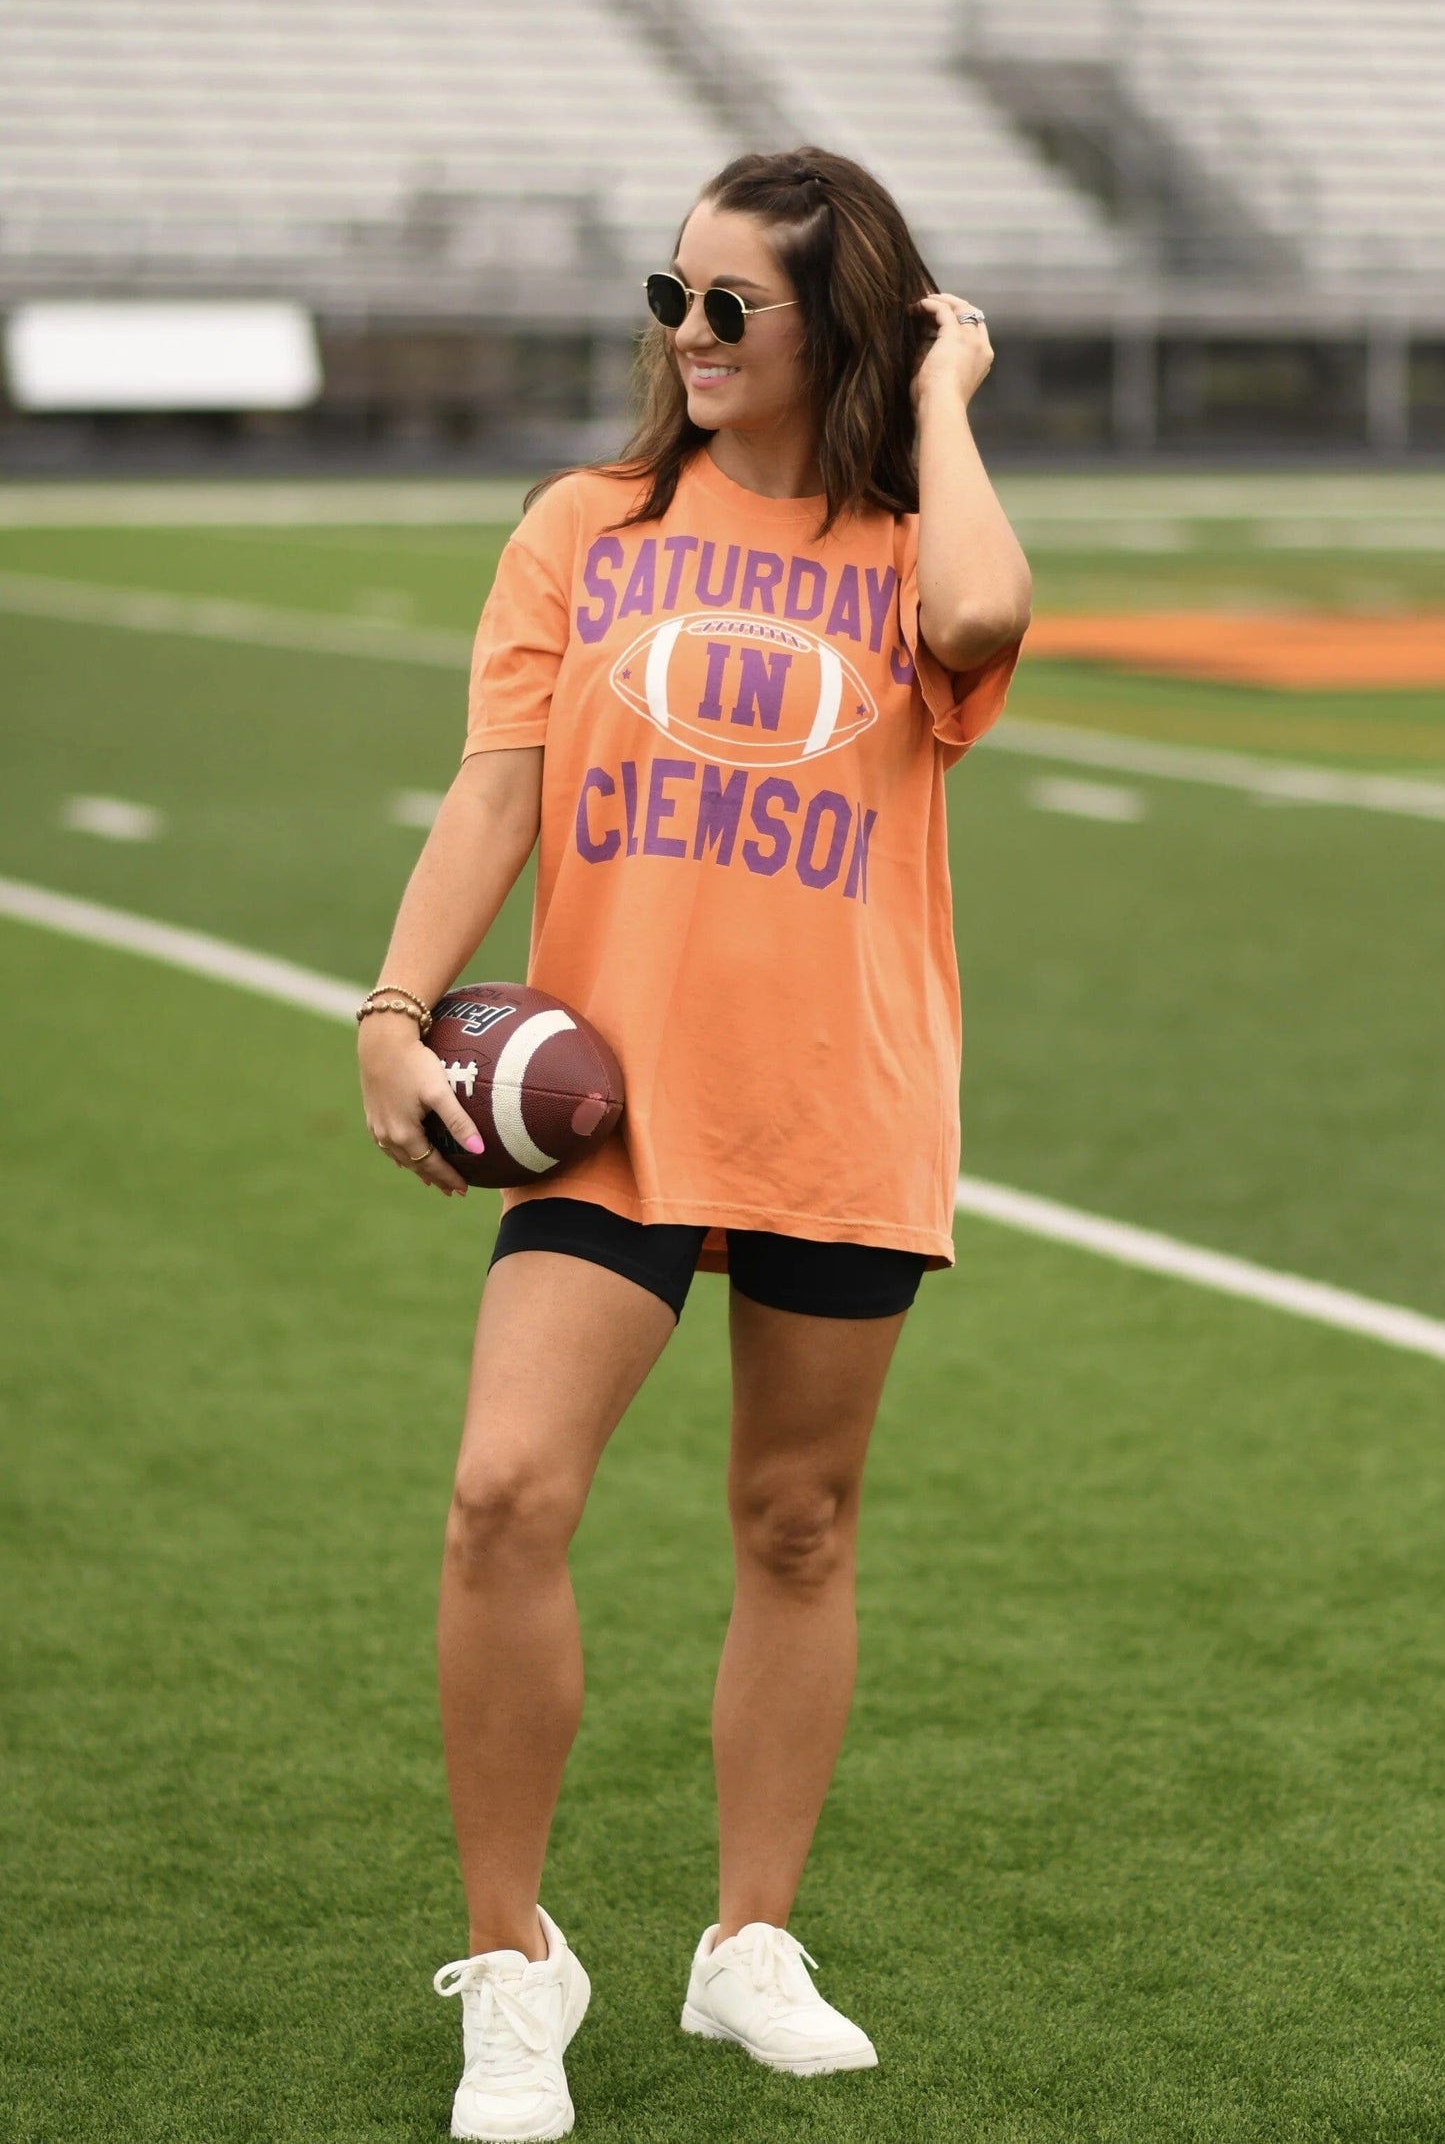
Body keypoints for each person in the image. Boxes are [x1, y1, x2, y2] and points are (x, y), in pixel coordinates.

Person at [357, 145, 1031, 2142]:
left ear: (835, 325)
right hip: (613, 1109)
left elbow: (987, 612)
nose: (686, 334)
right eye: (671, 295)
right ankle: (517, 1962)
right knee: (502, 1493)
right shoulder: (589, 523)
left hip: (844, 1087)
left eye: (729, 305)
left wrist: (938, 399)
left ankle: (749, 1941)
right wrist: (396, 1007)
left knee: (798, 1522)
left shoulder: (915, 542)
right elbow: (497, 791)